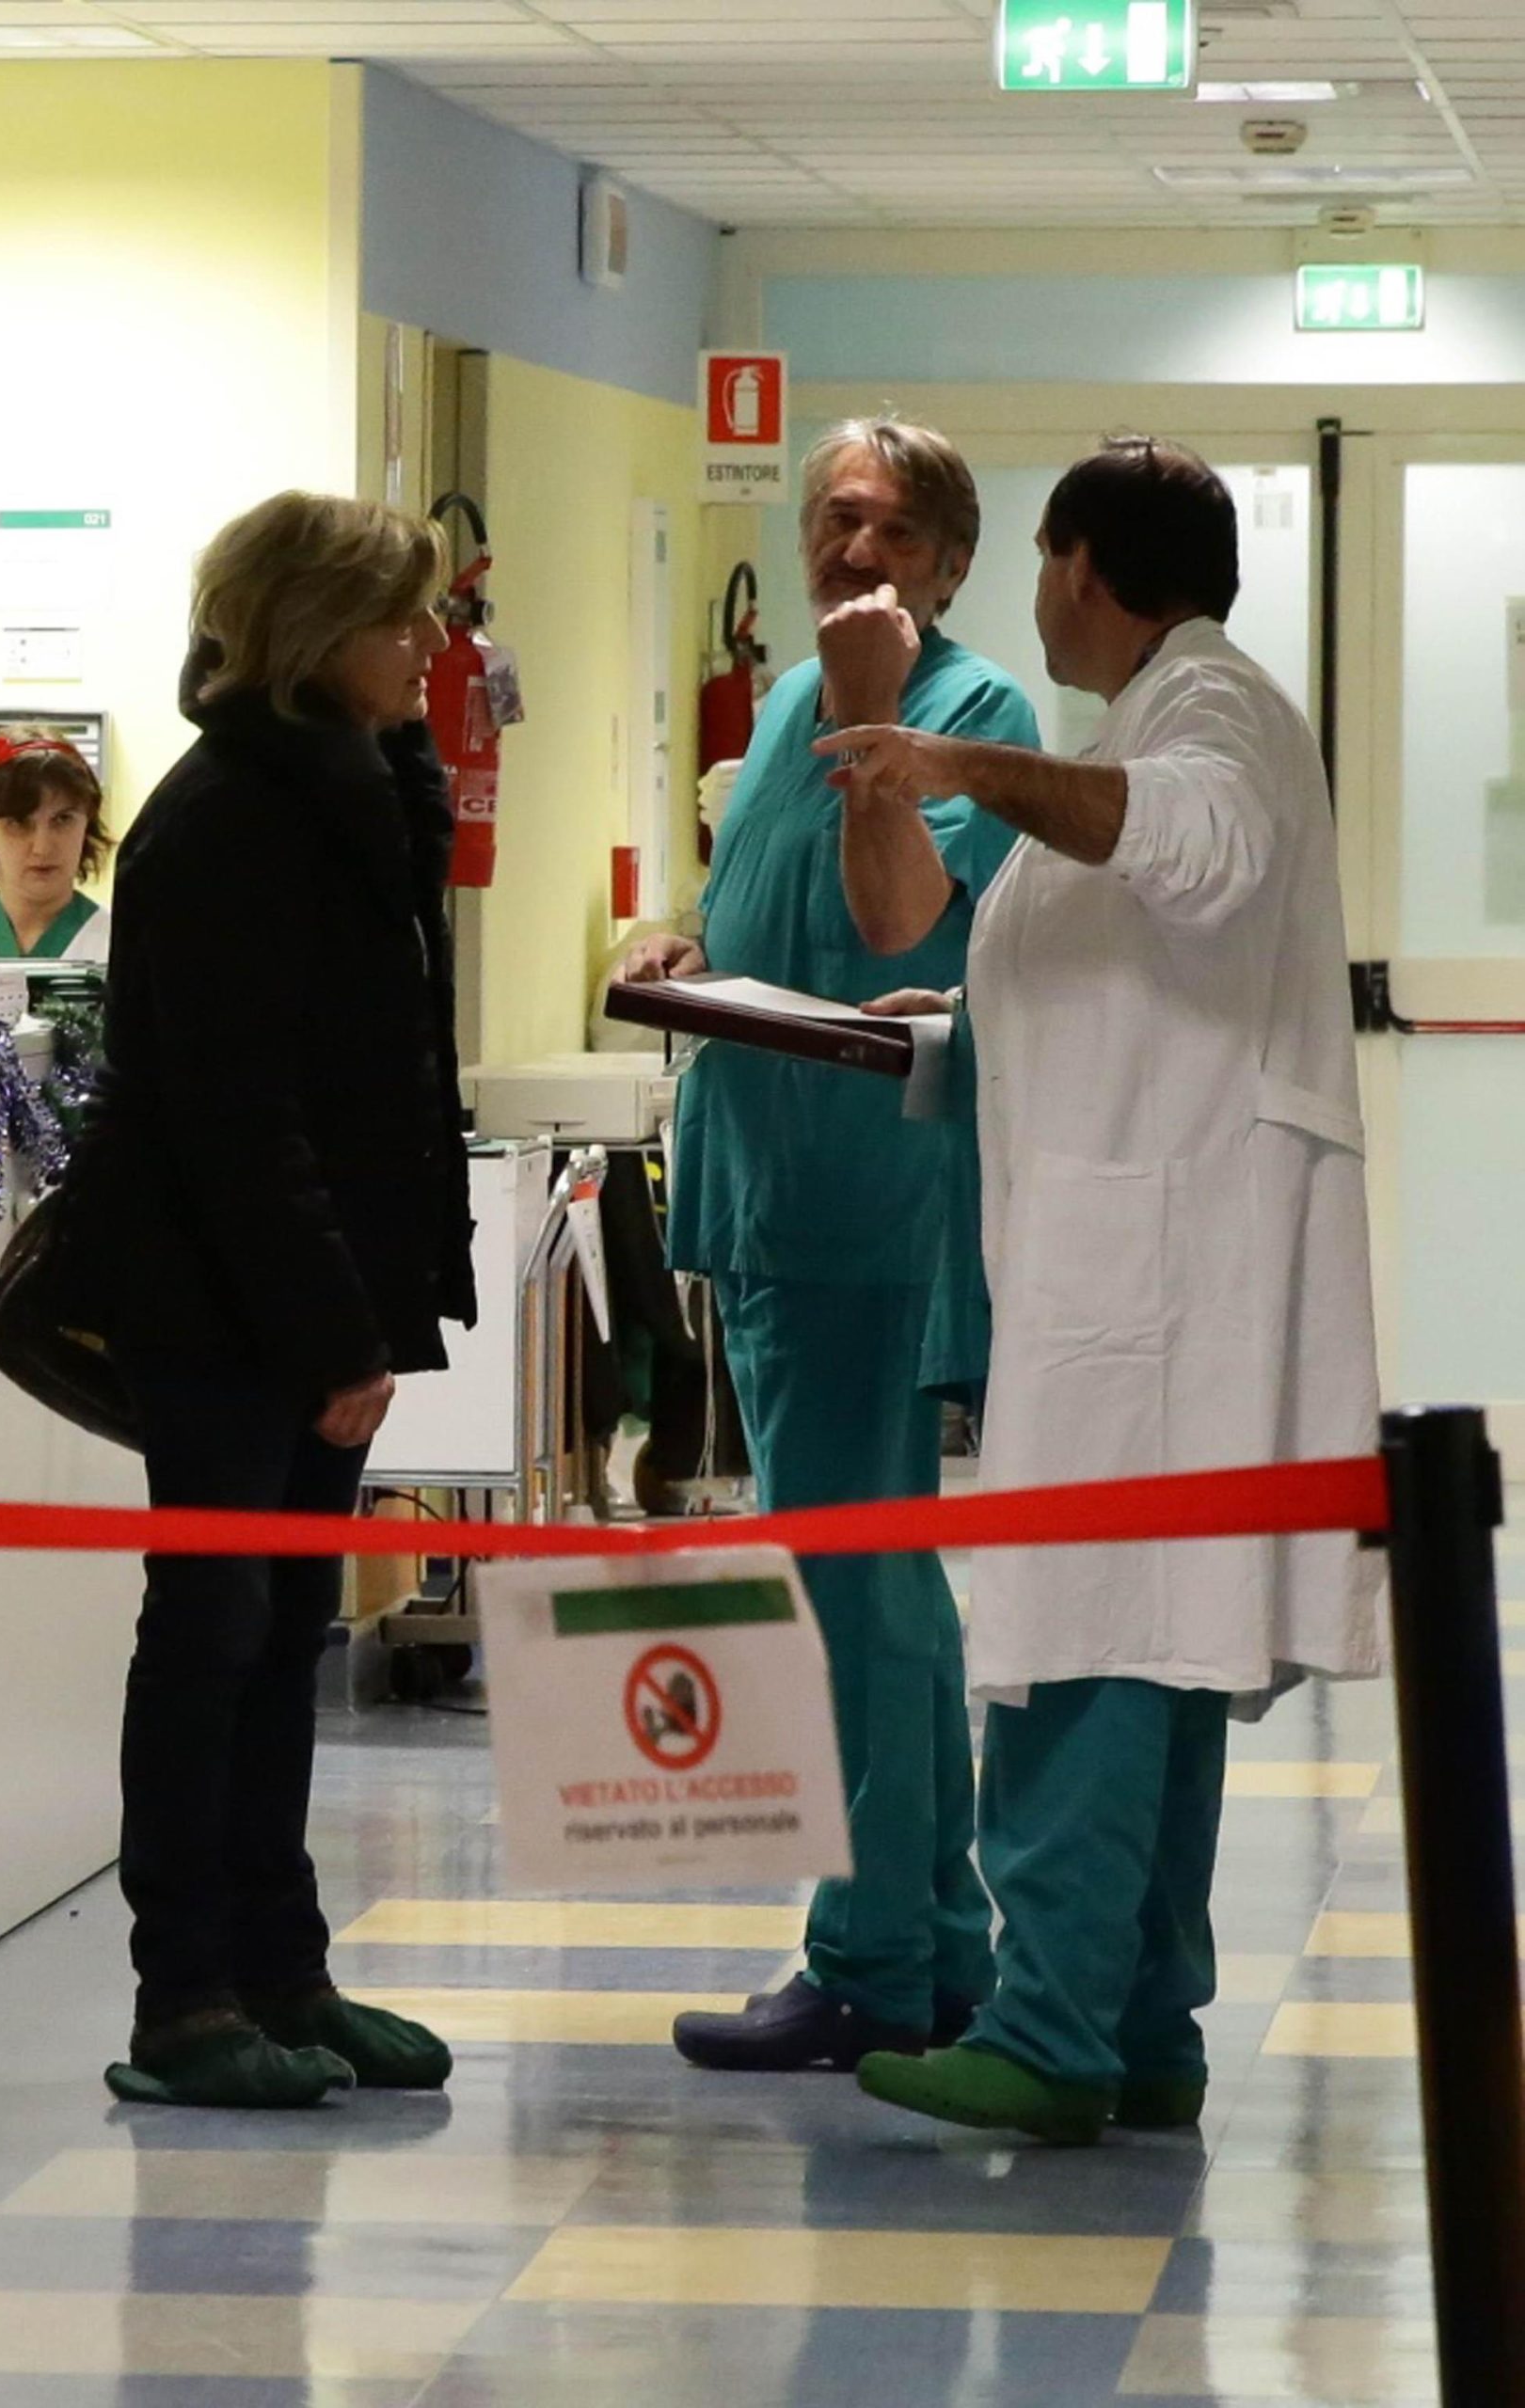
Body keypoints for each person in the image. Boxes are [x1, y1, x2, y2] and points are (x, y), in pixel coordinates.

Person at [817, 436, 1383, 2145]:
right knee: (1148, 1641)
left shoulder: (1211, 714)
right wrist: (953, 1003)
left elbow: (1188, 849)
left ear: (1078, 566)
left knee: (1089, 1641)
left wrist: (949, 760)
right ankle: (1137, 2024)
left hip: (1156, 1279)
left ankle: (1050, 2032)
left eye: (1039, 565)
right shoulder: (1148, 721)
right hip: (1128, 1258)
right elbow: (1074, 954)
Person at [616, 419, 1040, 2073]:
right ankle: (928, 1939)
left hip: (868, 1212)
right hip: (765, 1191)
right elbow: (783, 916)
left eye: (889, 529)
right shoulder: (790, 695)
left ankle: (868, 1955)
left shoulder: (971, 714)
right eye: (833, 520)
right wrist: (684, 947)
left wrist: (875, 715)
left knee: (849, 1588)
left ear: (950, 560)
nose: (852, 552)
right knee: (860, 1582)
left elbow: (896, 922)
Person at [77, 491, 475, 2110]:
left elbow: (372, 1059)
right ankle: (184, 2000)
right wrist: (331, 1336)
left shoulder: (350, 793)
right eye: (400, 619)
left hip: (319, 1297)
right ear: (315, 633)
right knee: (212, 1636)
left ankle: (283, 1970)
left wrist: (367, 1316)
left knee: (287, 1631)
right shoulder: (225, 818)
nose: (430, 643)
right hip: (224, 1307)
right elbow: (237, 1117)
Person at [0, 726, 115, 963]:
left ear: (87, 824)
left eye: (63, 819)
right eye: (18, 823)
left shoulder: (125, 945)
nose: (42, 848)